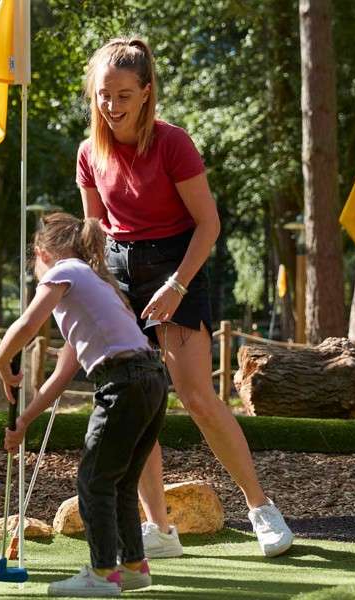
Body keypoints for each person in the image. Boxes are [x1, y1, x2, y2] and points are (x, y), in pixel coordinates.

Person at [75, 37, 294, 558]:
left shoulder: (173, 143)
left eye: (124, 94)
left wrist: (176, 284)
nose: (113, 105)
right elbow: (95, 229)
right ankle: (159, 528)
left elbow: (209, 223)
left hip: (179, 262)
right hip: (120, 272)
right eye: (104, 94)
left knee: (195, 395)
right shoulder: (89, 151)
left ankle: (262, 508)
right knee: (136, 399)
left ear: (147, 93)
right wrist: (99, 287)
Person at [0, 213, 167, 597]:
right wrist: (23, 421)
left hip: (124, 382)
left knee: (94, 481)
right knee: (119, 481)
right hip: (151, 380)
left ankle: (103, 574)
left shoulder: (66, 270)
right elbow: (61, 377)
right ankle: (133, 565)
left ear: (43, 253)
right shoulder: (93, 287)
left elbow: (25, 326)